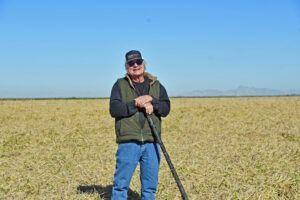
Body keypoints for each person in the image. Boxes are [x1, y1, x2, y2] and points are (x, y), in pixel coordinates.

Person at [109, 50, 170, 200]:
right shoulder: (120, 85)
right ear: (126, 67)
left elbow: (166, 109)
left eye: (138, 61)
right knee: (120, 185)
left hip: (152, 141)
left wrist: (151, 101)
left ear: (144, 63)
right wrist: (136, 103)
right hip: (129, 141)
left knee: (150, 187)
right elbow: (114, 109)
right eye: (131, 63)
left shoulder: (156, 85)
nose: (135, 65)